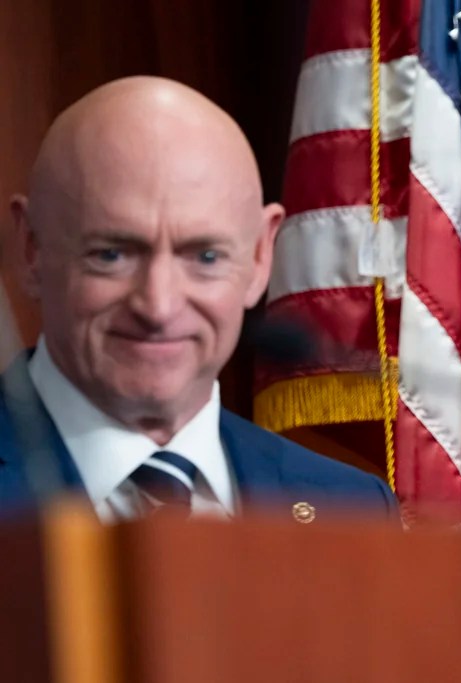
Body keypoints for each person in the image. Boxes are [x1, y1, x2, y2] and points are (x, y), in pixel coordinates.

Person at [0, 76, 397, 523]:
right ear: (32, 249)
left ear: (260, 256)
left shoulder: (351, 510)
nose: (159, 307)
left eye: (205, 257)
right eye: (111, 255)